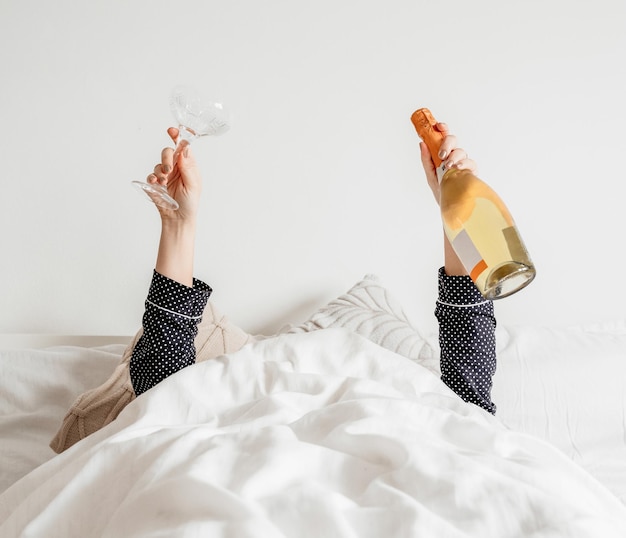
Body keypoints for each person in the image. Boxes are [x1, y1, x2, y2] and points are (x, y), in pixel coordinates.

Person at [129, 124, 497, 415]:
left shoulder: (421, 418)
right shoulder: (235, 416)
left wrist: (456, 205)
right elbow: (162, 400)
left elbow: (470, 411)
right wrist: (178, 224)